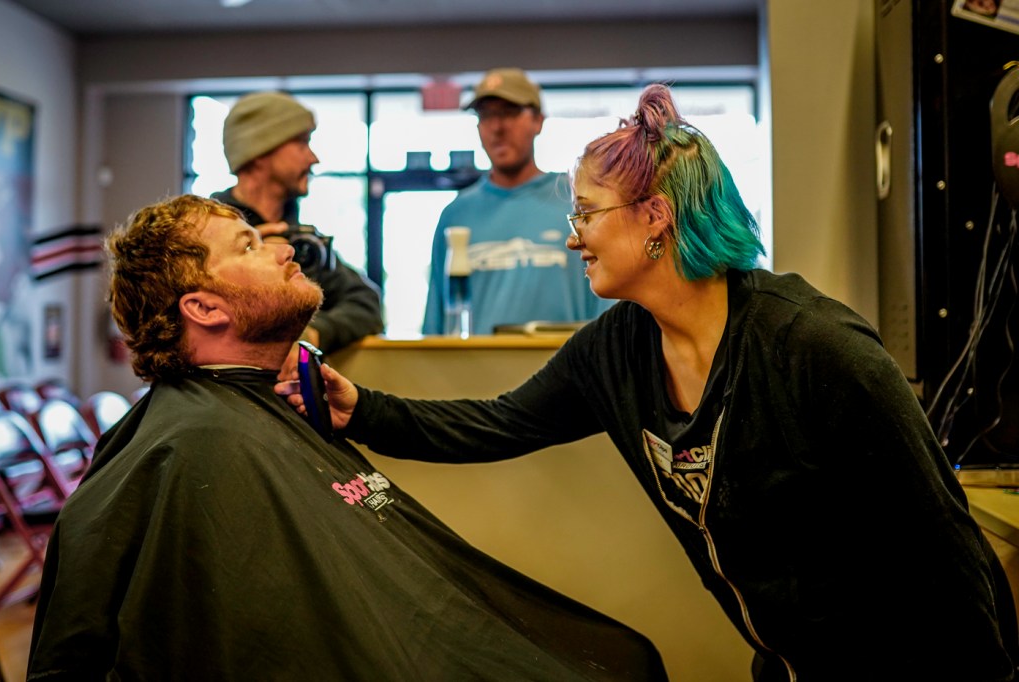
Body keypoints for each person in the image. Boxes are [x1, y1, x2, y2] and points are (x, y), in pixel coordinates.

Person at [278, 84, 1019, 681]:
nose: (573, 236)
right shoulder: (618, 349)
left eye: (586, 213)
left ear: (655, 218)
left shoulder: (816, 348)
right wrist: (360, 409)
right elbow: (496, 424)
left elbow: (947, 543)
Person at [25, 194, 666, 682]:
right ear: (205, 308)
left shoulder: (249, 415)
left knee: (624, 656)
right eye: (249, 245)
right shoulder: (191, 445)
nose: (285, 251)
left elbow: (504, 423)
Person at [422, 68, 610, 335]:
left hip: (568, 361)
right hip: (478, 363)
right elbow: (436, 325)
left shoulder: (577, 202)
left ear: (538, 121)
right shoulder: (456, 215)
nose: (497, 127)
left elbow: (607, 310)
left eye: (509, 113)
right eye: (486, 115)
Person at [210, 90, 383, 373]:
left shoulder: (302, 243)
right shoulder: (205, 232)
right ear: (259, 151)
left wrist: (310, 335)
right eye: (302, 143)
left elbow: (367, 304)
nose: (314, 158)